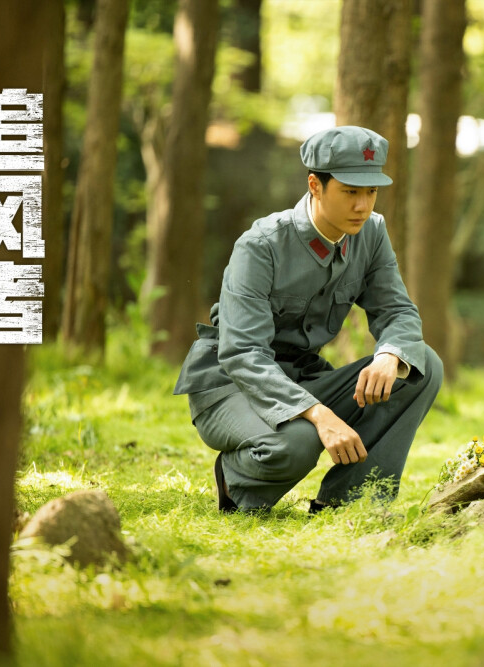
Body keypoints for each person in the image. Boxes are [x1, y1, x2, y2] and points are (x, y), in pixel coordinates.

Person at [173, 126, 443, 514]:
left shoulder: (372, 233)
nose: (363, 206)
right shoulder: (261, 245)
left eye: (371, 192)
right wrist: (319, 415)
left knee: (419, 365)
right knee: (296, 442)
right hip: (230, 384)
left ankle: (350, 503)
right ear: (315, 185)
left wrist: (390, 354)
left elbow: (396, 310)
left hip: (302, 375)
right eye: (351, 192)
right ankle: (236, 480)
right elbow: (243, 354)